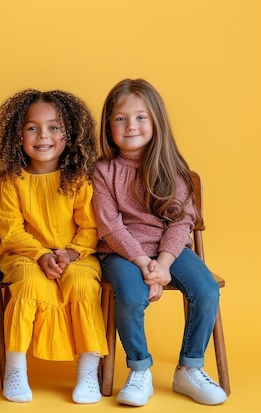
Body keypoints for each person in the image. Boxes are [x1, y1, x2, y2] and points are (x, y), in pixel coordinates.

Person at [92, 78, 228, 407]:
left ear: (156, 121)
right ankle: (139, 370)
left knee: (207, 289)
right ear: (109, 126)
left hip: (170, 249)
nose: (131, 126)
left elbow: (181, 220)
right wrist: (143, 264)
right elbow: (109, 226)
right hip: (122, 252)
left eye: (140, 117)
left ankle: (189, 368)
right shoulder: (102, 170)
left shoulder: (171, 169)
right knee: (129, 294)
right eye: (120, 118)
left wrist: (163, 265)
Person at [0, 89, 107, 404]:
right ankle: (15, 368)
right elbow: (10, 229)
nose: (43, 135)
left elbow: (91, 227)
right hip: (24, 256)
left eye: (54, 127)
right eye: (32, 127)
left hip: (75, 255)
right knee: (30, 286)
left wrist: (68, 254)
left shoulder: (79, 180)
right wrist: (41, 254)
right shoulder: (11, 180)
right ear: (17, 135)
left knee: (83, 285)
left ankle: (87, 371)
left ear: (69, 135)